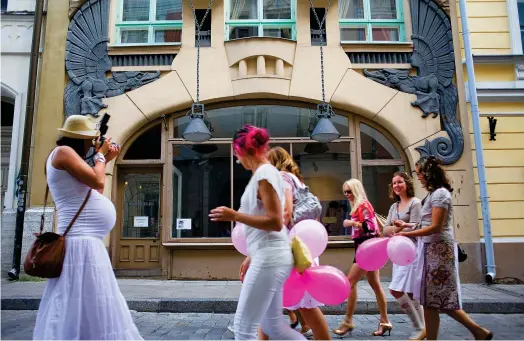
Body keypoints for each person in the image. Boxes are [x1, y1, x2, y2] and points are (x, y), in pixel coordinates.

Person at [33, 115, 143, 340]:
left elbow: (93, 191)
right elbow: (98, 182)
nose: (93, 144)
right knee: (79, 297)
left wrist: (106, 159)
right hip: (78, 242)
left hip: (86, 242)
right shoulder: (64, 153)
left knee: (92, 299)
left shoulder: (69, 156)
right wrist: (101, 155)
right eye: (91, 141)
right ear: (81, 140)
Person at [209, 125, 305, 341]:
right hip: (271, 256)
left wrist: (234, 216)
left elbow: (275, 221)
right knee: (274, 328)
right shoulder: (264, 174)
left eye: (235, 154)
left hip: (269, 258)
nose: (236, 159)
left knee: (243, 329)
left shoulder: (264, 175)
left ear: (241, 150)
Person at [398, 156, 493, 340]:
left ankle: (477, 331)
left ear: (428, 173)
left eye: (419, 173)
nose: (418, 177)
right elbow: (426, 223)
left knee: (436, 301)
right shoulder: (434, 194)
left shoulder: (441, 194)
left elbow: (436, 227)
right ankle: (478, 332)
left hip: (439, 252)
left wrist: (406, 234)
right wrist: (407, 226)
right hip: (430, 252)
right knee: (433, 301)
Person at [265, 146, 331, 340]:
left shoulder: (283, 178)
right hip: (300, 244)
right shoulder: (297, 181)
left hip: (290, 246)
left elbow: (285, 212)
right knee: (295, 303)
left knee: (304, 304)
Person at [333, 178, 392, 337]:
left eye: (349, 191)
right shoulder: (358, 206)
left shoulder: (364, 205)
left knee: (349, 282)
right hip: (364, 247)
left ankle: (348, 322)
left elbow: (370, 227)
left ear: (356, 190)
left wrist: (351, 223)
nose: (347, 194)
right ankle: (385, 321)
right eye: (345, 191)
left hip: (366, 248)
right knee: (375, 284)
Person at [382, 172, 425, 340]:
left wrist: (399, 229)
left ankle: (419, 327)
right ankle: (423, 329)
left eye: (399, 182)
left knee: (396, 290)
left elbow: (416, 227)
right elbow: (385, 229)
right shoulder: (394, 207)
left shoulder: (415, 203)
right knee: (410, 292)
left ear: (407, 183)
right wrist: (398, 229)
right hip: (397, 253)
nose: (396, 185)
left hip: (411, 251)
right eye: (394, 183)